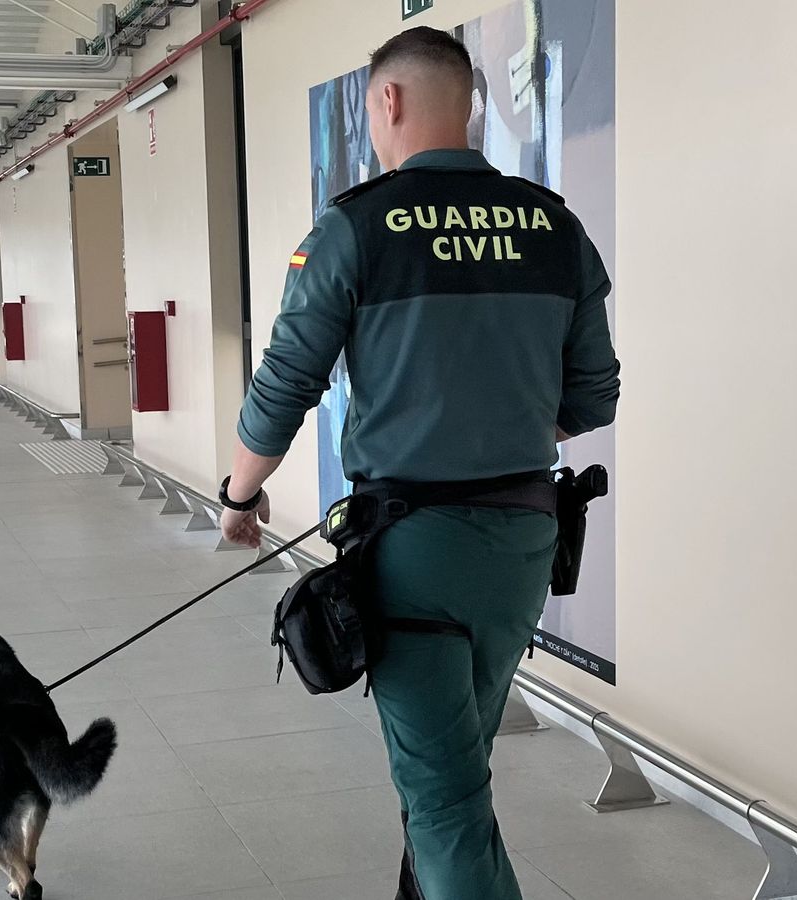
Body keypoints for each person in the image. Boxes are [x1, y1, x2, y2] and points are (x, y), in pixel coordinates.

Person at [218, 25, 619, 900]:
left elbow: (286, 381)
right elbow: (595, 396)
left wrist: (239, 497)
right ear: (469, 101)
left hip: (413, 557)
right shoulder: (554, 226)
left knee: (444, 805)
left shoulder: (356, 227)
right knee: (455, 776)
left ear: (387, 101)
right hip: (523, 546)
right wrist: (500, 431)